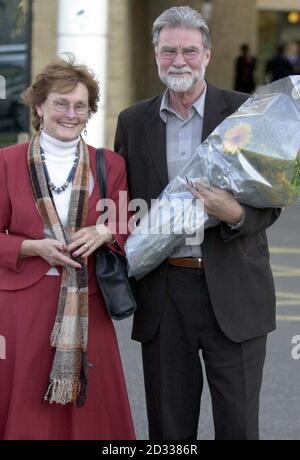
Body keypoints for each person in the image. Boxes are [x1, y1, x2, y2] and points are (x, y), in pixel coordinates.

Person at [114, 6, 280, 440]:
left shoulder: (244, 112)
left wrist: (236, 214)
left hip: (236, 292)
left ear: (207, 54)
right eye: (169, 51)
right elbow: (120, 203)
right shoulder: (132, 122)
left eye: (189, 50)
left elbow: (272, 202)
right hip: (166, 294)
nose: (179, 61)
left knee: (238, 428)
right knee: (169, 431)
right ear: (156, 55)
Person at [0, 56, 135, 440]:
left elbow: (126, 222)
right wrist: (30, 247)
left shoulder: (110, 164)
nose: (70, 113)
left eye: (80, 105)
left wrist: (105, 232)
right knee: (24, 408)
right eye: (60, 103)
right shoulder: (6, 163)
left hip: (88, 302)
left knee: (91, 413)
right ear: (39, 106)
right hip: (21, 309)